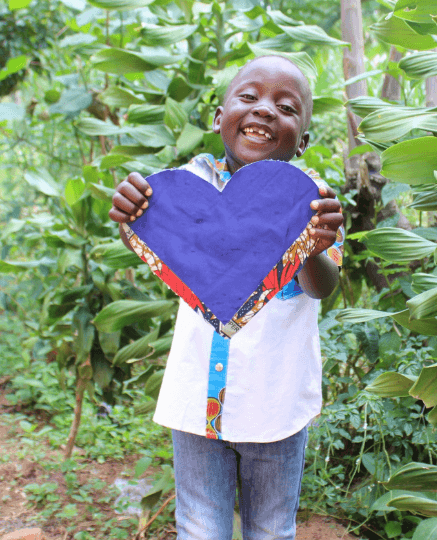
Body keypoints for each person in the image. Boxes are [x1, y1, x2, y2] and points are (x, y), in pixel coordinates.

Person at [108, 55, 344, 540]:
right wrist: (132, 208)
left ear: (302, 140)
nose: (263, 110)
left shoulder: (316, 203)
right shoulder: (181, 186)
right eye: (249, 97)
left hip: (275, 405)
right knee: (199, 528)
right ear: (219, 118)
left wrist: (314, 248)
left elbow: (324, 287)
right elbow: (155, 243)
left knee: (272, 530)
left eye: (285, 105)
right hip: (196, 401)